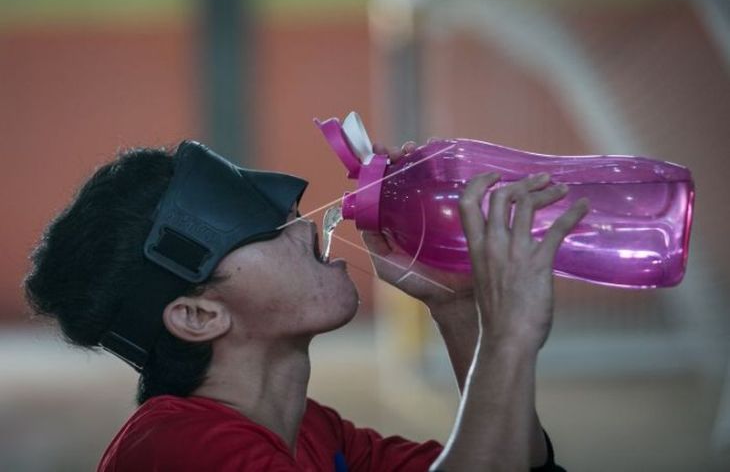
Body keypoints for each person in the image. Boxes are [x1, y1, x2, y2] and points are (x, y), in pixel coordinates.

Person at [24, 139, 588, 471]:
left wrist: (457, 305)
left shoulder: (313, 432)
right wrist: (508, 332)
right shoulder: (178, 452)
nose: (304, 226)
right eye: (269, 229)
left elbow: (520, 462)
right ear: (199, 315)